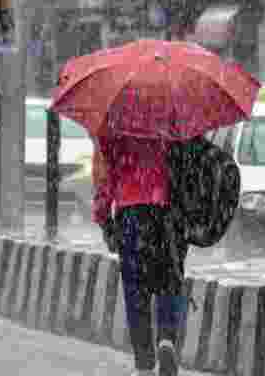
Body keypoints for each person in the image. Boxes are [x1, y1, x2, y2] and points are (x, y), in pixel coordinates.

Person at [92, 135, 187, 376]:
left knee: (136, 291)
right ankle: (167, 338)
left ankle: (144, 363)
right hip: (166, 213)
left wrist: (104, 220)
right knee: (169, 281)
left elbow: (105, 179)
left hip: (131, 213)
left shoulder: (115, 124)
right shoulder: (171, 118)